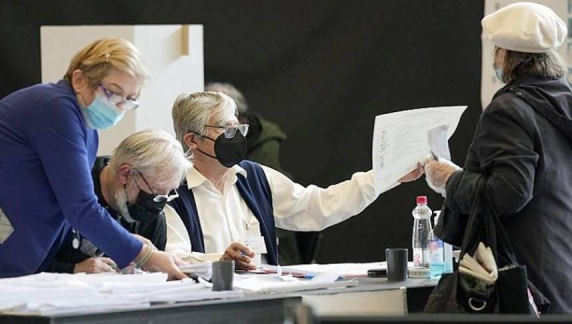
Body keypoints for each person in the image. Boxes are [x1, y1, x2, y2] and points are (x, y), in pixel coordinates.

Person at [424, 2, 572, 315]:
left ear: (507, 56)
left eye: (497, 50)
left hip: (525, 281)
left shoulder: (509, 109)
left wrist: (450, 179)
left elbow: (508, 193)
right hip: (569, 275)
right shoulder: (571, 106)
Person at [165, 91, 423, 270]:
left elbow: (319, 206)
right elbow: (171, 259)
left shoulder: (255, 178)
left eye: (239, 129)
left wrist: (385, 176)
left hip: (263, 306)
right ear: (192, 140)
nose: (237, 137)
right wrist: (218, 262)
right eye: (227, 130)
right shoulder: (172, 191)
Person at [0, 38, 187, 279]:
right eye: (114, 93)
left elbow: (68, 212)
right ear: (79, 80)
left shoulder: (86, 129)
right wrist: (144, 256)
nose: (120, 107)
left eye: (129, 100)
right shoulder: (55, 109)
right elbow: (80, 207)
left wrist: (125, 243)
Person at [46, 129, 190, 274]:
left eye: (169, 193)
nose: (159, 204)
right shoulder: (71, 190)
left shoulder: (152, 217)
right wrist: (73, 270)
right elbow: (28, 259)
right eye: (157, 191)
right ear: (125, 173)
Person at [204, 82, 305, 265]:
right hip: (229, 258)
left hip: (276, 256)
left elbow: (298, 206)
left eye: (221, 123)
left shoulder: (270, 150)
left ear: (240, 117)